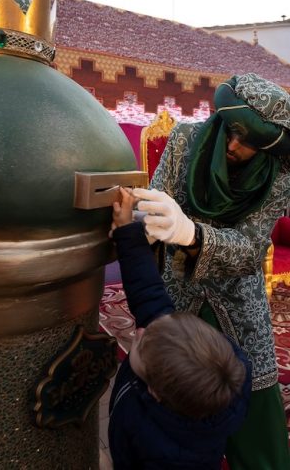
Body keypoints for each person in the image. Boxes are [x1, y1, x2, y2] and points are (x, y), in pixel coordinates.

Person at [132, 73, 290, 470]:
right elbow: (158, 198)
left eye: (249, 142)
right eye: (232, 131)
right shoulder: (184, 139)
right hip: (177, 291)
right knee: (172, 399)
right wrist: (144, 220)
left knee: (256, 407)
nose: (233, 145)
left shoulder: (283, 177)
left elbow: (250, 251)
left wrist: (191, 232)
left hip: (239, 301)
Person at [108, 187, 251, 470]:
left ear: (155, 392)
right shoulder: (167, 349)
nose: (140, 332)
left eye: (138, 347)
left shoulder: (158, 449)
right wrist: (127, 230)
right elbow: (147, 290)